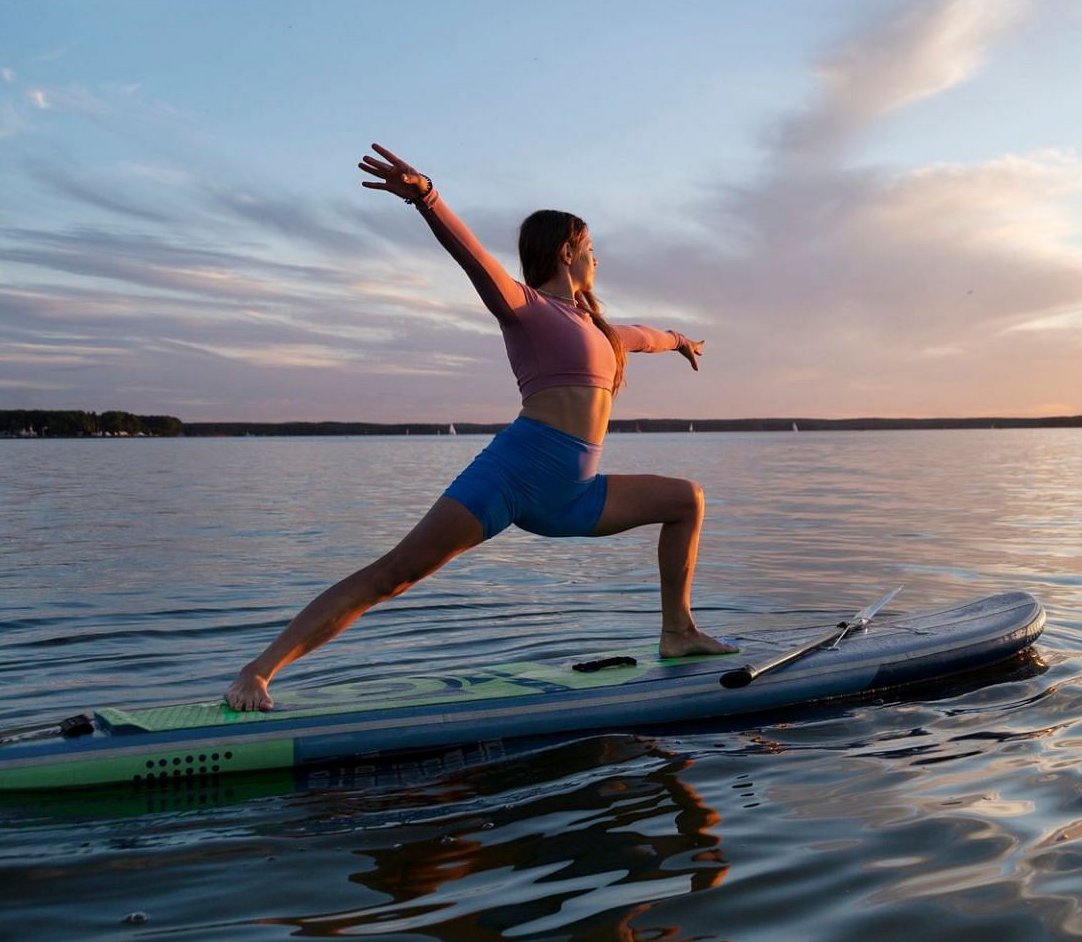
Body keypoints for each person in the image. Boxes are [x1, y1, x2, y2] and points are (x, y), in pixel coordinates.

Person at [223, 144, 732, 712]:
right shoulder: (526, 307)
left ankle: (679, 633)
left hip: (574, 494)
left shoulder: (603, 331)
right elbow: (473, 260)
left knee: (686, 500)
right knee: (393, 575)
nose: (596, 261)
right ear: (568, 251)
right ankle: (257, 671)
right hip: (512, 475)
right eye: (591, 250)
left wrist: (683, 341)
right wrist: (427, 198)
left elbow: (648, 334)